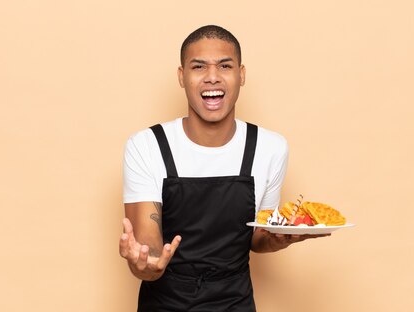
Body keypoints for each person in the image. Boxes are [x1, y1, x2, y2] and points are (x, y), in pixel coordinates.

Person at [119, 25, 329, 311]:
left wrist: (280, 239)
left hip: (235, 301)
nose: (212, 77)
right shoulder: (147, 146)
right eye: (198, 67)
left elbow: (257, 237)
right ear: (182, 76)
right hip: (165, 303)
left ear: (241, 75)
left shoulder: (270, 147)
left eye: (225, 66)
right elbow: (148, 245)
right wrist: (146, 265)